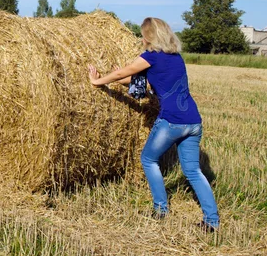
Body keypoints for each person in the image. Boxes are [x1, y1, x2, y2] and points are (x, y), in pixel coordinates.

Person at [87, 17, 219, 232]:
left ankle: (161, 208)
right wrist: (117, 78)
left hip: (172, 121)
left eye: (143, 34)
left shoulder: (151, 55)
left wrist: (98, 81)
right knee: (193, 171)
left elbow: (125, 72)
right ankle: (212, 221)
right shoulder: (176, 57)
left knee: (148, 159)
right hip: (193, 121)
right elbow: (143, 82)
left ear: (149, 36)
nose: (141, 38)